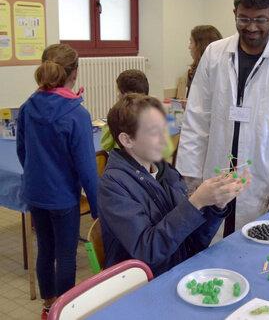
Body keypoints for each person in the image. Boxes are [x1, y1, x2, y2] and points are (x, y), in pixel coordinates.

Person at [176, 0, 269, 236]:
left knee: (253, 247)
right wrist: (191, 177)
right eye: (243, 18)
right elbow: (196, 118)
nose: (251, 27)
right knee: (207, 246)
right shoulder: (214, 54)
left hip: (263, 178)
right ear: (234, 13)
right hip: (215, 174)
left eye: (260, 19)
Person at [97, 94, 249, 276]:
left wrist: (216, 205)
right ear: (127, 140)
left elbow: (192, 242)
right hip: (143, 286)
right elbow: (149, 252)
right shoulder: (113, 186)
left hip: (178, 271)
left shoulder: (164, 171)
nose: (165, 139)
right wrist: (195, 203)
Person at [16, 44, 98, 318]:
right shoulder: (77, 115)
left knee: (45, 250)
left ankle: (48, 305)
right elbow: (87, 169)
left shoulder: (28, 106)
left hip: (36, 194)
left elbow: (22, 151)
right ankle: (63, 310)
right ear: (74, 73)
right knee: (65, 255)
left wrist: (37, 177)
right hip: (63, 197)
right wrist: (97, 210)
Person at [100, 69, 174, 161]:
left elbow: (105, 145)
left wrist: (109, 121)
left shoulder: (119, 117)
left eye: (119, 92)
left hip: (127, 167)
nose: (118, 95)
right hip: (154, 169)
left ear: (126, 96)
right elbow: (167, 151)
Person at [185, 25, 223, 98]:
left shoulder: (218, 71)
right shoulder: (194, 70)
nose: (189, 47)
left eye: (191, 42)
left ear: (201, 45)